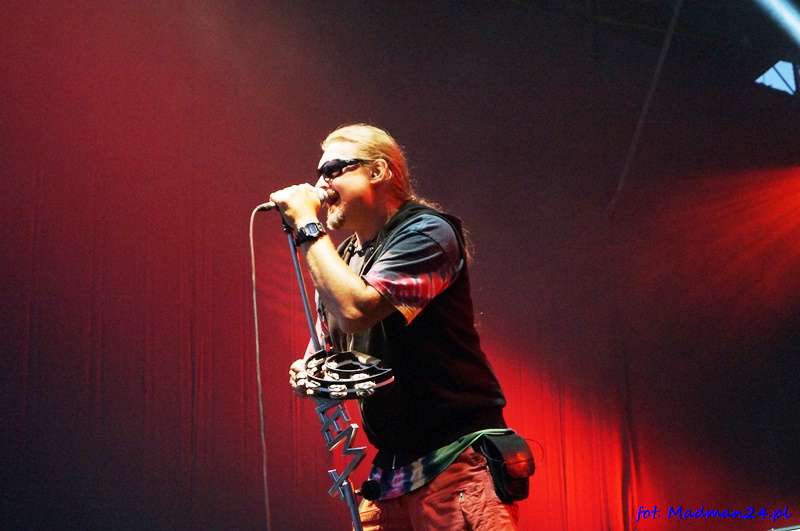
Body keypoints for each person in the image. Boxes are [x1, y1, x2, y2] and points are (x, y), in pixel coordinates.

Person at [269, 123, 521, 530]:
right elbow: (327, 343)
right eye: (318, 174)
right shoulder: (344, 257)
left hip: (454, 461)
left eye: (332, 170)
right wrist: (310, 371)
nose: (320, 184)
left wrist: (307, 225)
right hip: (393, 471)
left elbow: (356, 309)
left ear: (378, 171)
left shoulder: (428, 232)